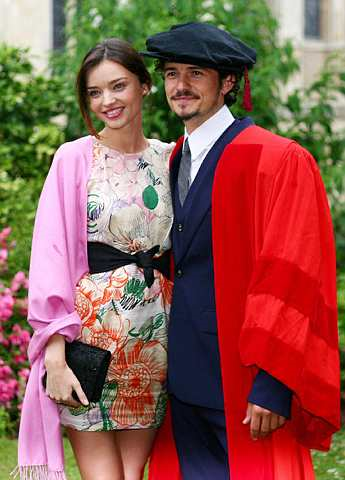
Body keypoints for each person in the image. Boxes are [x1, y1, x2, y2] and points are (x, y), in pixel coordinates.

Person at [141, 22, 341, 480]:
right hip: (182, 378)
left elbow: (293, 275)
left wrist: (273, 384)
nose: (180, 86)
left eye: (196, 73)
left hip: (242, 377)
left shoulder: (276, 160)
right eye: (172, 74)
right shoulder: (174, 159)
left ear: (228, 82)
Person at [14, 38, 173, 480]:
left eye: (118, 86)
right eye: (94, 92)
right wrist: (55, 357)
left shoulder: (170, 158)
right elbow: (51, 256)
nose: (107, 101)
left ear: (144, 86)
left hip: (154, 346)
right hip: (91, 344)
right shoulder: (74, 157)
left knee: (131, 472)